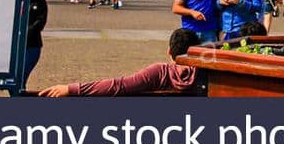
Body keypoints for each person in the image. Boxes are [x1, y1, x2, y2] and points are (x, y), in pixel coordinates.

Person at [39, 28, 206, 96]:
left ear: (169, 51)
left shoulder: (160, 72)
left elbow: (118, 86)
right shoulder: (206, 74)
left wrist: (71, 89)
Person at [22, 0, 47, 88]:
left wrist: (24, 33)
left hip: (31, 45)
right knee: (13, 81)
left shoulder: (39, 0)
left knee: (20, 78)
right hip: (11, 46)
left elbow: (40, 23)